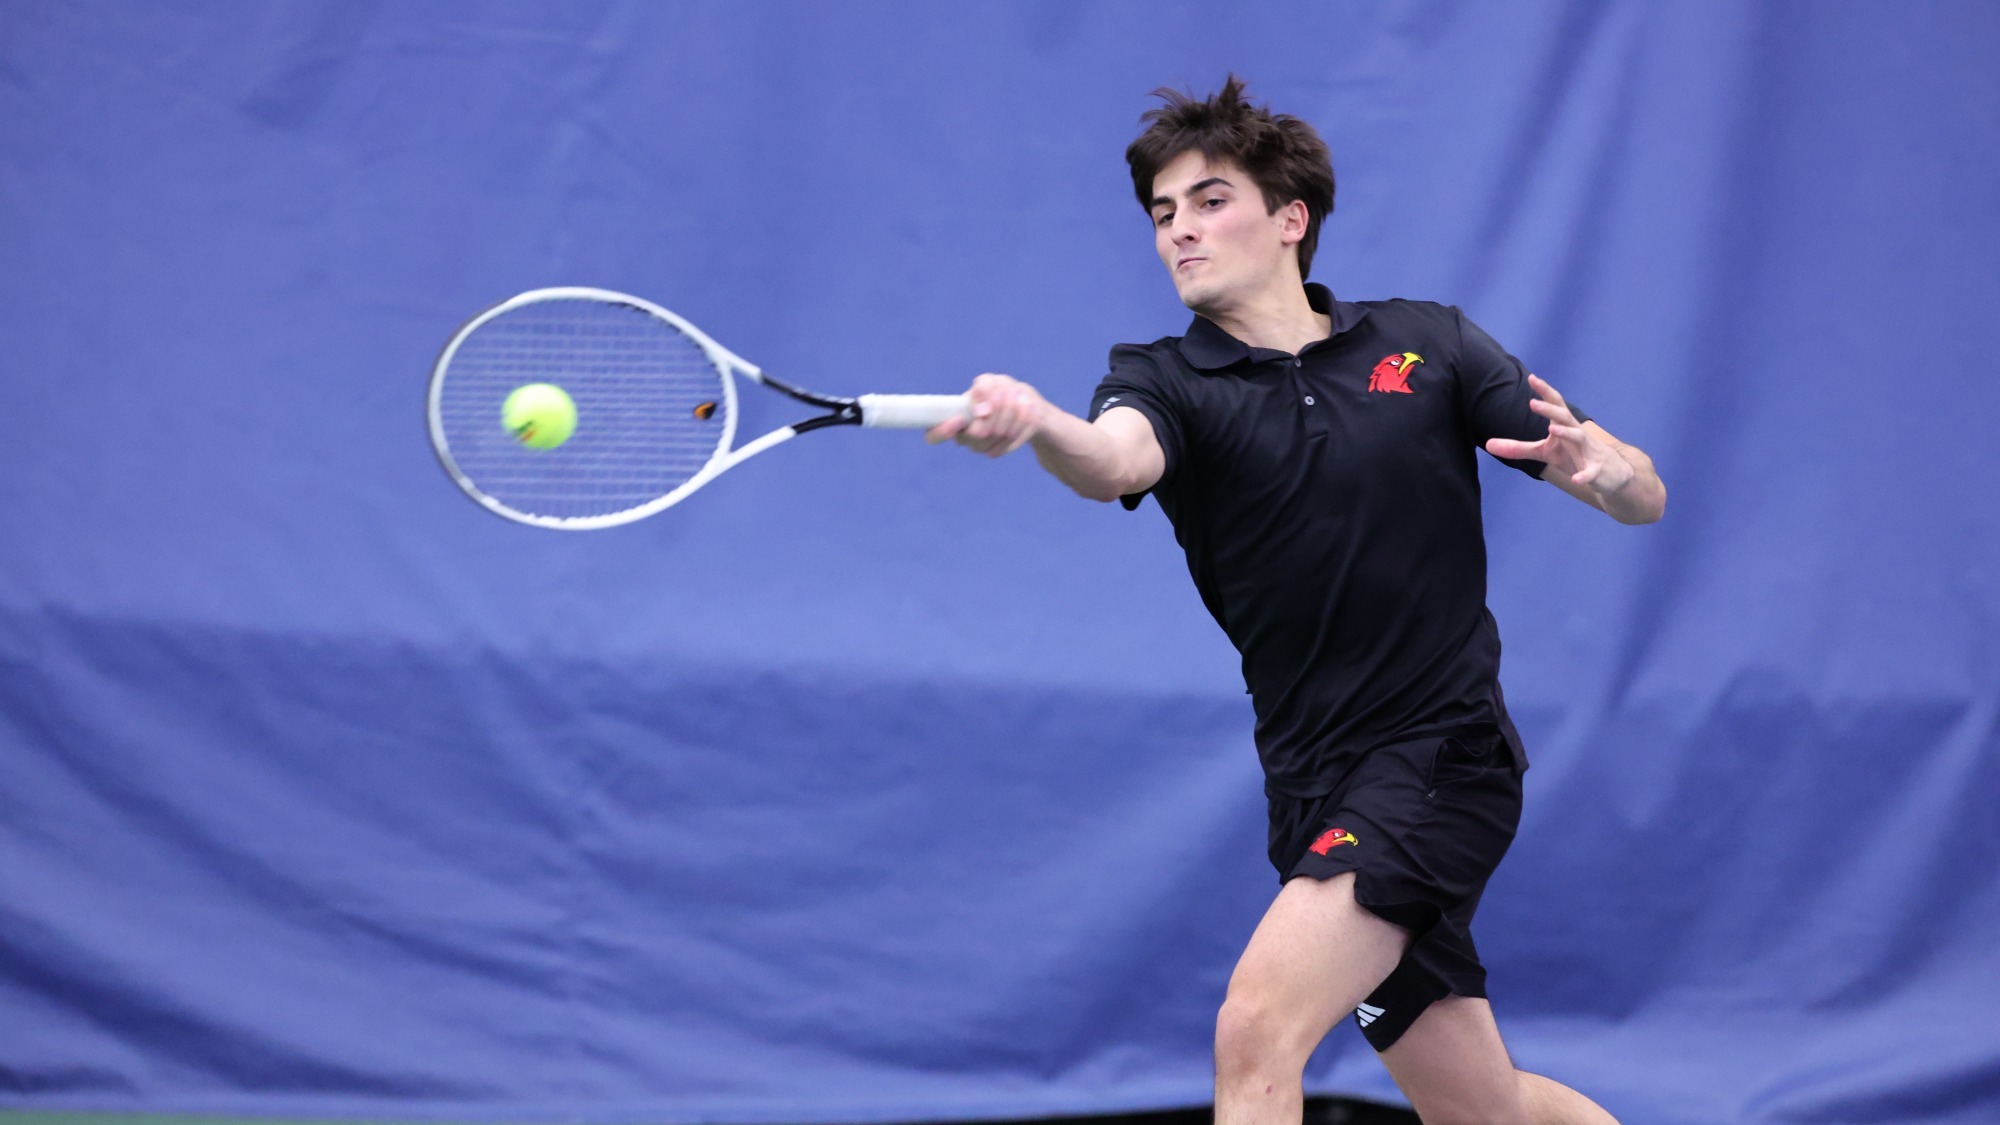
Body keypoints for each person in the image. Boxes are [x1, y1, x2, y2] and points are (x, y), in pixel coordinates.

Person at [926, 77, 1664, 1124]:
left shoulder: (1430, 343)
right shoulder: (1166, 378)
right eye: (1161, 213)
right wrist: (1043, 422)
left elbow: (1639, 495)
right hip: (1310, 783)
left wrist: (1611, 475)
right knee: (1485, 1110)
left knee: (1256, 1027)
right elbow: (1111, 461)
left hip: (1440, 758)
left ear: (1288, 219)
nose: (1179, 229)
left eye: (1208, 199)